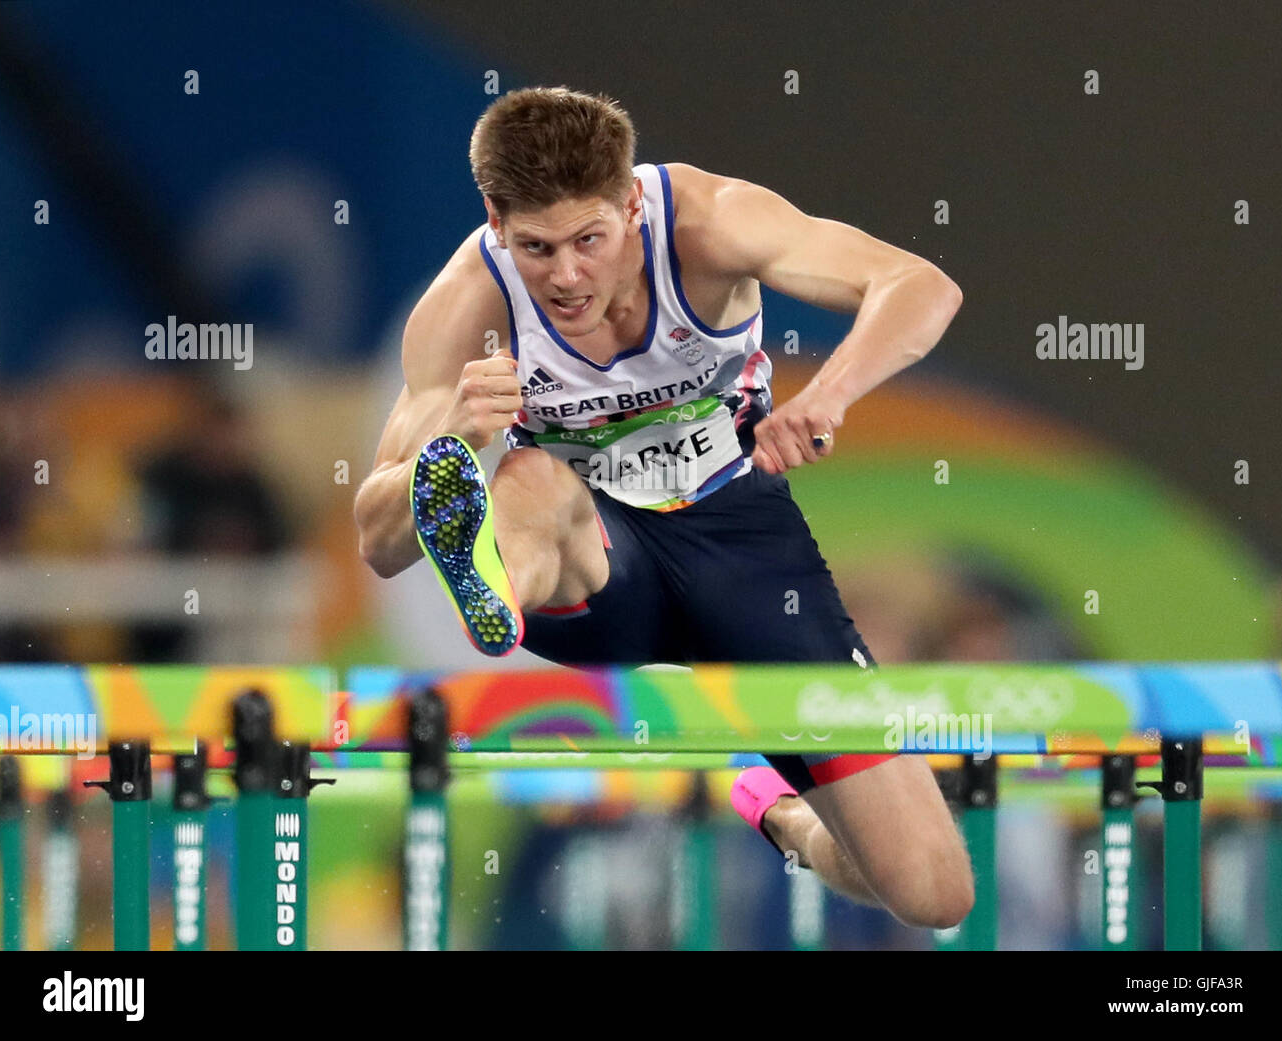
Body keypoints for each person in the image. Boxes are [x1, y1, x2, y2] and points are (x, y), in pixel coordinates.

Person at [356, 87, 972, 928]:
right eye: (536, 247)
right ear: (496, 221)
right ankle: (495, 589)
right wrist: (452, 436)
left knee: (933, 892)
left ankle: (777, 808)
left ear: (631, 203)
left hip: (745, 549)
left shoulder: (709, 222)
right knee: (530, 482)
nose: (566, 276)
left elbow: (919, 285)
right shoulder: (468, 306)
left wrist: (828, 395)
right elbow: (379, 540)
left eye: (589, 240)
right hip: (600, 563)